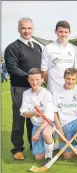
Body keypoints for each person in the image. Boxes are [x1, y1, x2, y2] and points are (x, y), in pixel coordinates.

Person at [4, 17, 42, 160]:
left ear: (33, 29)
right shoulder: (12, 47)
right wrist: (30, 77)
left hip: (35, 90)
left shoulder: (37, 47)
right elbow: (12, 67)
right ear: (18, 29)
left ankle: (34, 146)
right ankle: (17, 149)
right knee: (19, 118)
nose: (27, 31)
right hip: (20, 88)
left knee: (33, 118)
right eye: (23, 28)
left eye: (29, 28)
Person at [53, 68, 77, 161]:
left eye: (73, 79)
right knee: (67, 156)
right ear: (64, 78)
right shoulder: (56, 92)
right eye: (68, 78)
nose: (70, 81)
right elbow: (55, 114)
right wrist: (60, 132)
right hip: (63, 125)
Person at [20, 68, 54, 162]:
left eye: (37, 79)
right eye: (32, 80)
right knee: (38, 157)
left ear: (42, 79)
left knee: (46, 134)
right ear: (28, 80)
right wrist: (33, 113)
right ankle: (54, 145)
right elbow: (24, 113)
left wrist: (38, 133)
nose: (34, 82)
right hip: (36, 125)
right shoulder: (26, 94)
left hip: (48, 123)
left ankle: (49, 156)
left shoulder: (47, 94)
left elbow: (48, 117)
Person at [41, 20, 77, 94]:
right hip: (53, 90)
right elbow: (44, 71)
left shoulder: (74, 49)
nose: (63, 34)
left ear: (69, 32)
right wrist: (51, 84)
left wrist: (70, 83)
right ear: (55, 31)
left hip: (69, 89)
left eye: (66, 32)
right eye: (60, 31)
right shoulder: (48, 48)